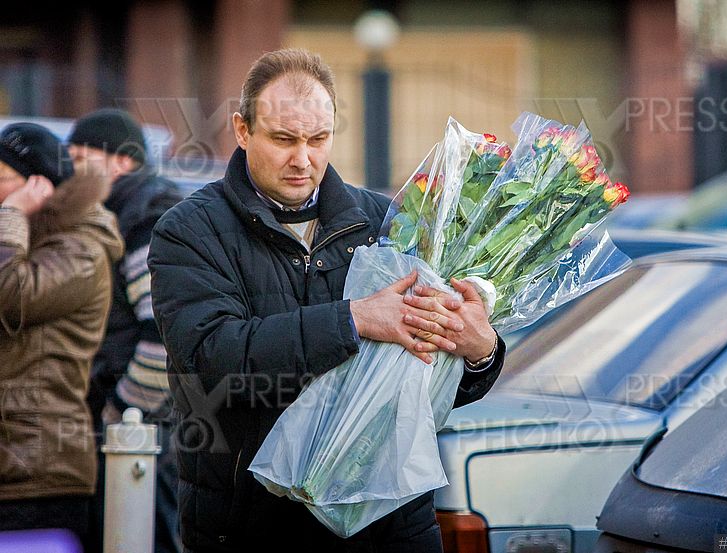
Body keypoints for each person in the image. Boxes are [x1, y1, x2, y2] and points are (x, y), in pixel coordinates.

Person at [147, 48, 505, 553]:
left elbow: (430, 390)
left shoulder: (389, 222)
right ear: (243, 130)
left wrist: (479, 351)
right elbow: (211, 359)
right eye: (283, 139)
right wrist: (353, 320)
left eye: (318, 139)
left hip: (389, 525)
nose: (303, 158)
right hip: (254, 525)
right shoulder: (189, 231)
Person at [0, 123, 124, 544]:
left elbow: (10, 296)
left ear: (41, 187)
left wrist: (12, 214)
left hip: (40, 467)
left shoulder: (81, 250)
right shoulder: (23, 243)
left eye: (3, 181)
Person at [67, 108, 183, 553]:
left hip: (144, 431)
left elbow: (162, 340)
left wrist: (120, 415)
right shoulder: (122, 211)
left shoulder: (142, 218)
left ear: (122, 161)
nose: (70, 173)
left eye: (81, 159)